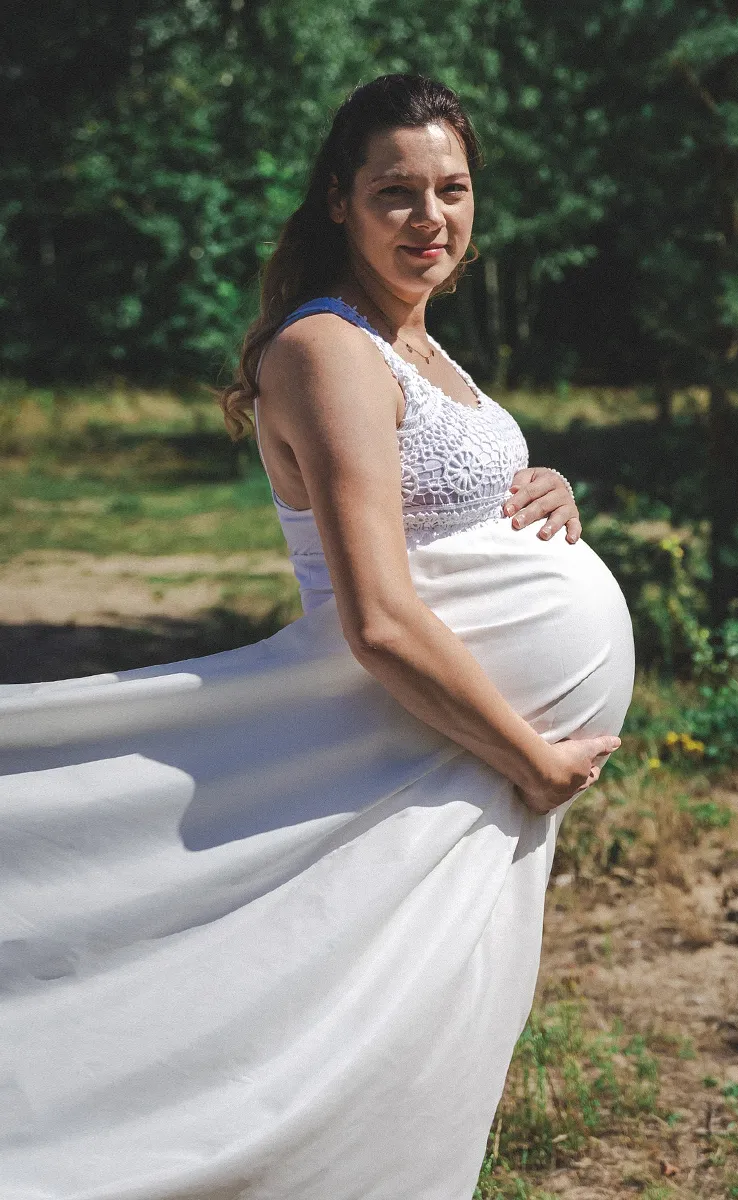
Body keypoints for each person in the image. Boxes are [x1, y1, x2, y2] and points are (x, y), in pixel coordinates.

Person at [0, 75, 634, 1200]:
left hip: (449, 765)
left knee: (428, 1036)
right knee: (327, 1048)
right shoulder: (330, 350)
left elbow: (445, 504)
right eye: (395, 192)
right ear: (338, 201)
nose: (428, 217)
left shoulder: (428, 350)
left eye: (451, 189)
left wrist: (538, 483)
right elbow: (381, 619)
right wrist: (532, 760)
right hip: (410, 748)